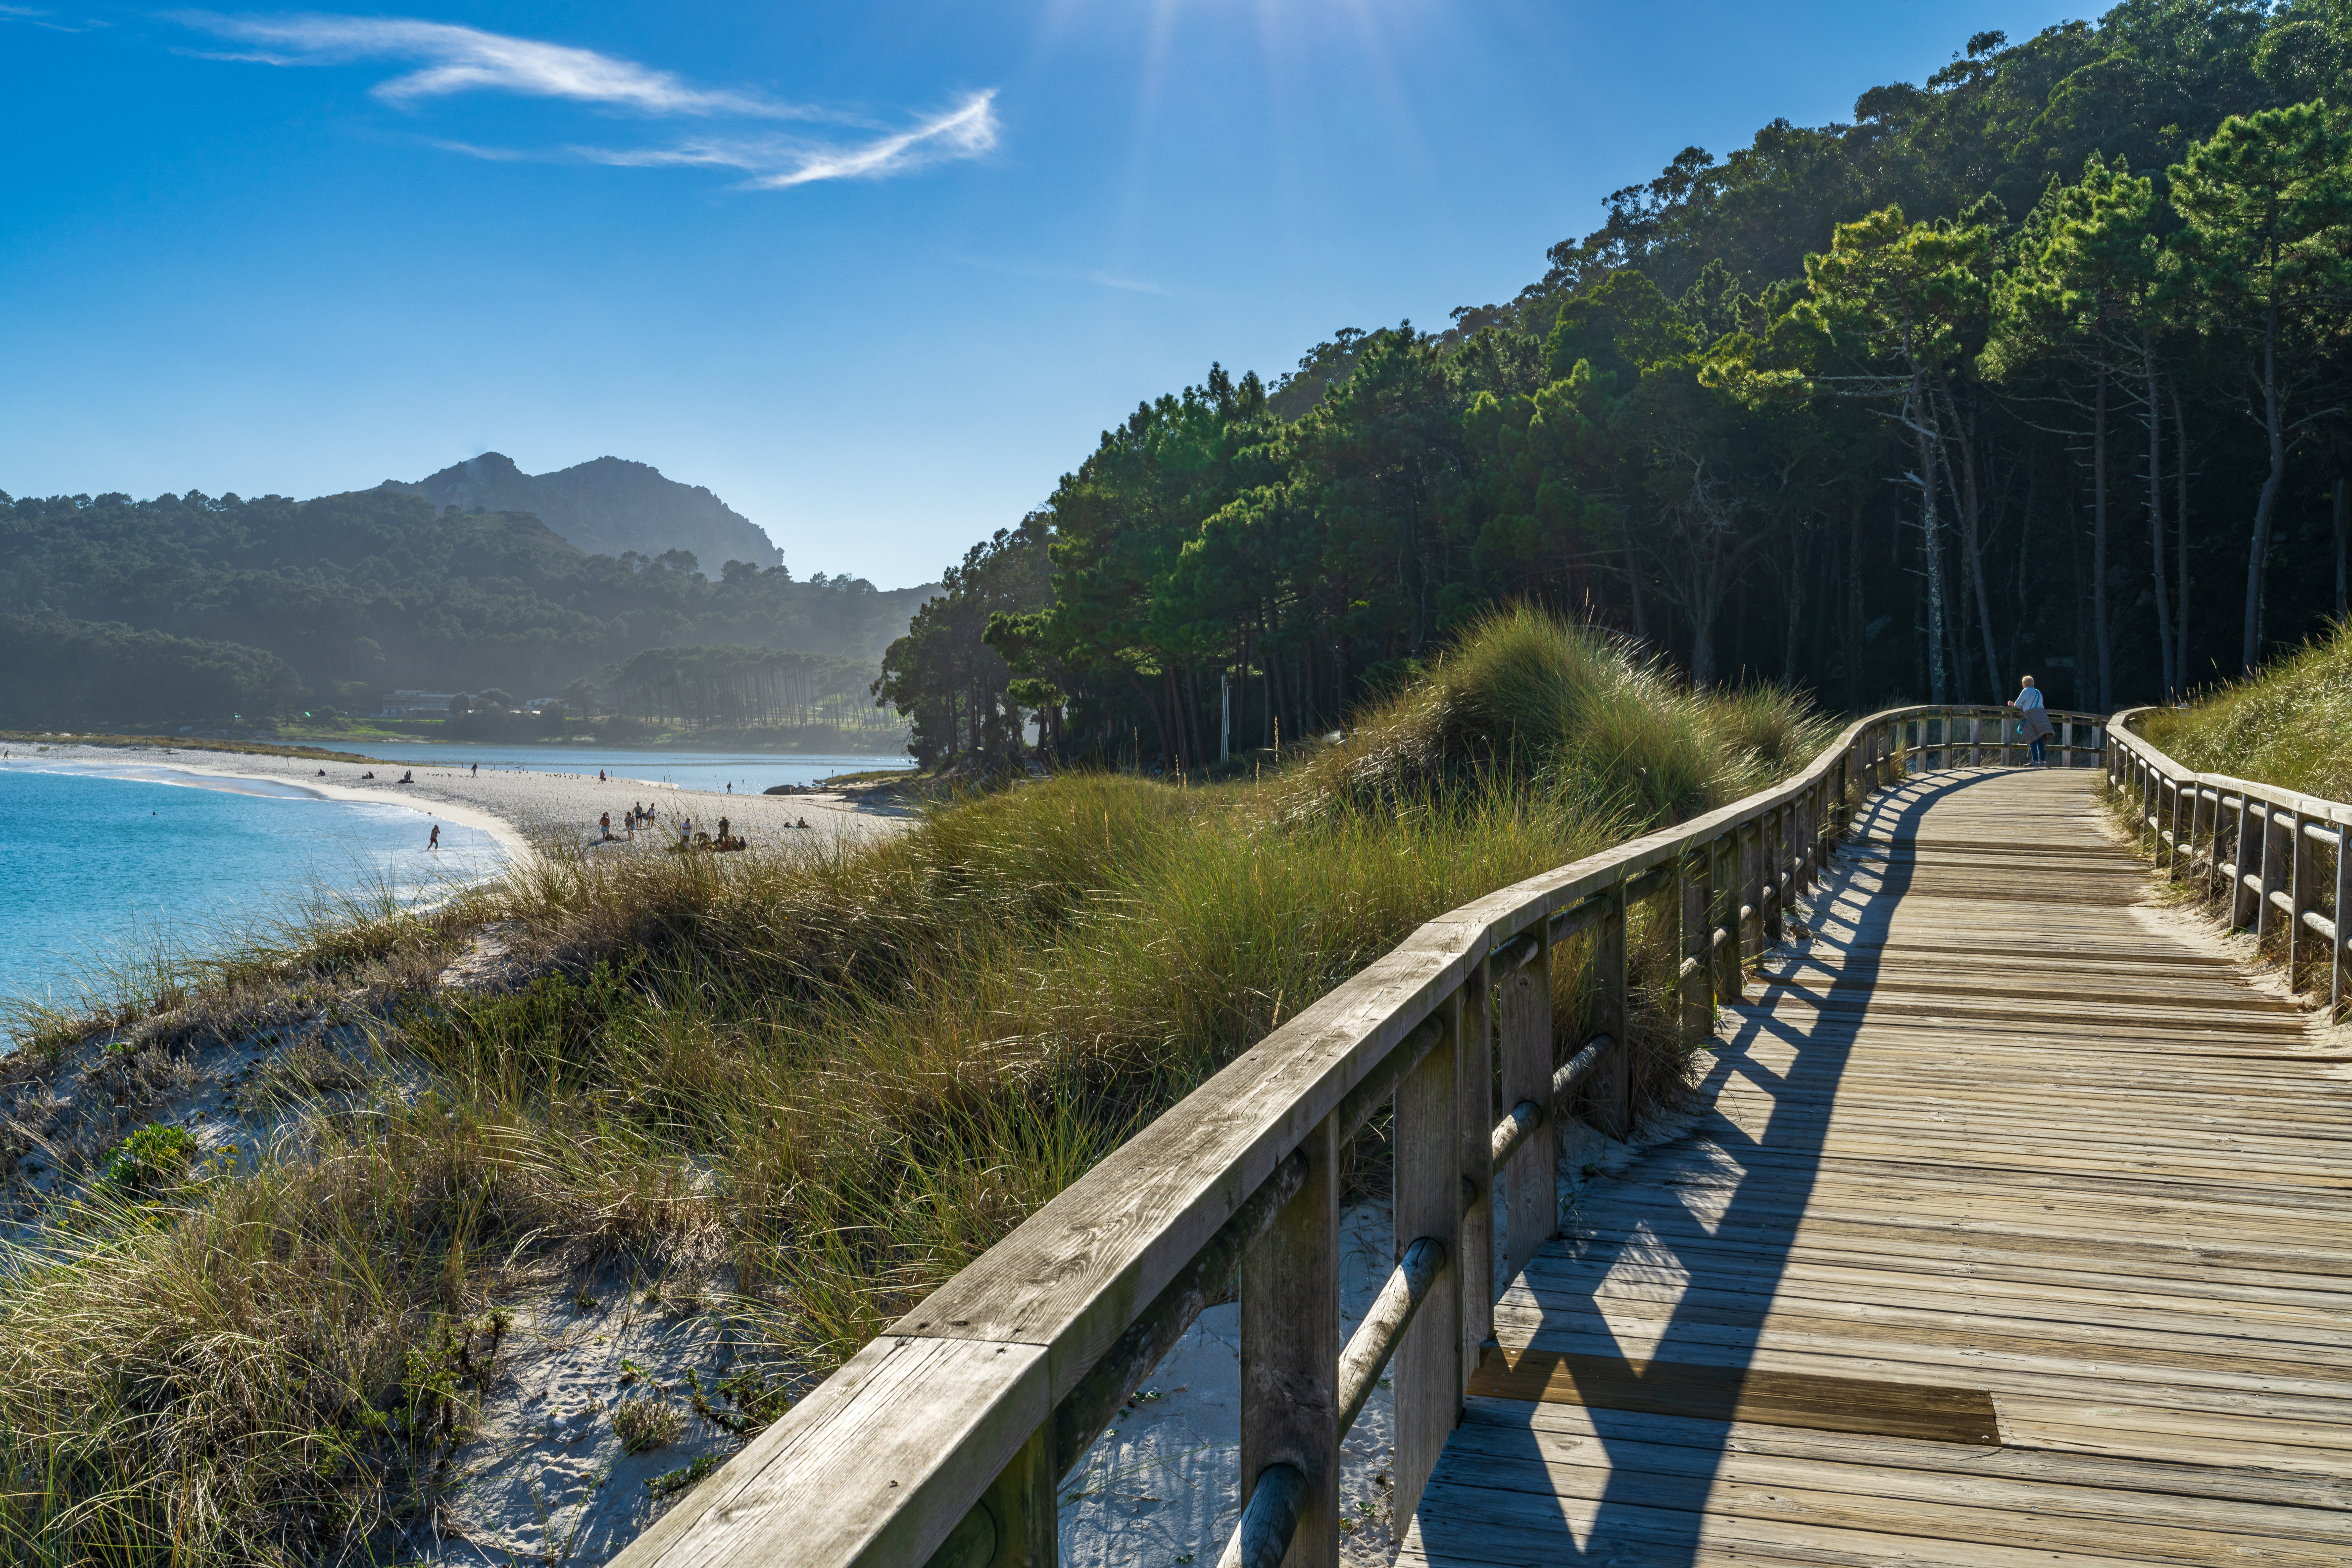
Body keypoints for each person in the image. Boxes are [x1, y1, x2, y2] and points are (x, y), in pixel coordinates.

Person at [2010, 675, 2054, 766]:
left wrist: (2013, 705)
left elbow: (2017, 705)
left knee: (2032, 738)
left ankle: (2035, 760)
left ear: (2024, 685)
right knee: (2040, 739)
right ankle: (2042, 761)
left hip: (2031, 717)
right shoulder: (2038, 692)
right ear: (2033, 684)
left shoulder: (2026, 691)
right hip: (2042, 716)